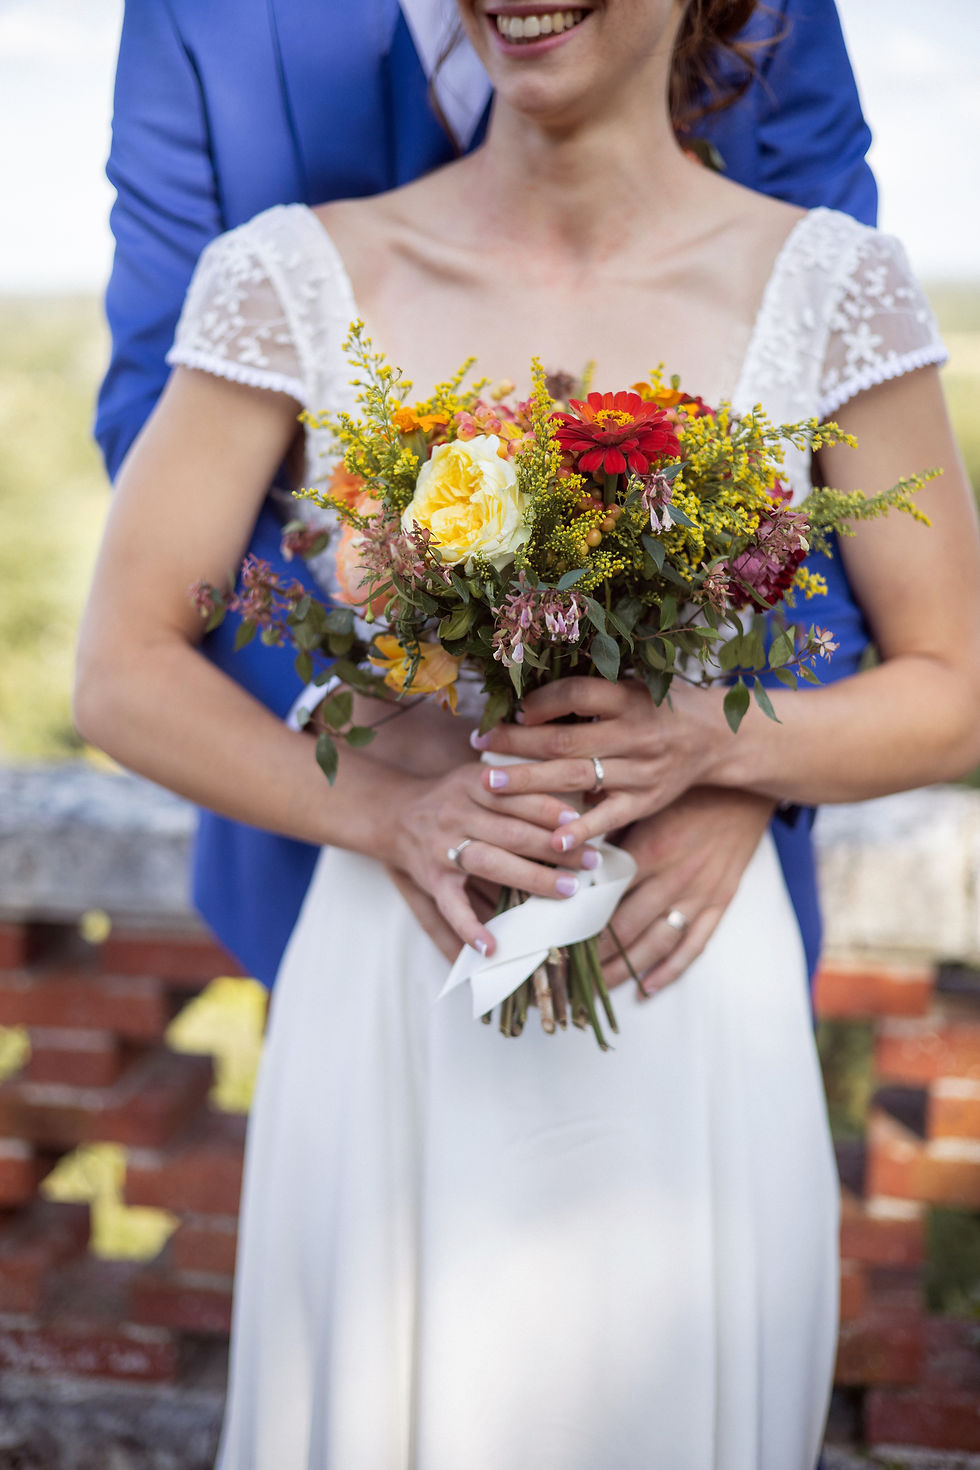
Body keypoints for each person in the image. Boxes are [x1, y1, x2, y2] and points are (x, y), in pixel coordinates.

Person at [76, 0, 980, 1463]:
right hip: (397, 977)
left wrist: (722, 749)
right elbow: (122, 666)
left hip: (692, 990)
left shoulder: (831, 284)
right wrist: (385, 806)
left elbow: (955, 678)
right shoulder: (296, 275)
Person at [95, 0, 878, 995]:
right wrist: (384, 729)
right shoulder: (274, 232)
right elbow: (150, 423)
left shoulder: (807, 234)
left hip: (692, 897)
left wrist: (733, 753)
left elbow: (819, 446)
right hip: (352, 867)